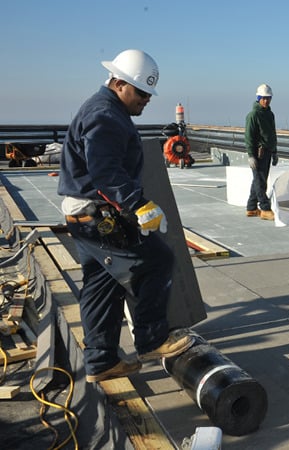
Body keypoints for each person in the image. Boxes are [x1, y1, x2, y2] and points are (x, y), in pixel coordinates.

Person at [58, 49, 193, 383]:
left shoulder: (104, 109)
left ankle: (101, 361)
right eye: (141, 92)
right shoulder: (105, 115)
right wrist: (139, 205)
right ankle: (152, 339)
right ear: (119, 83)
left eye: (148, 94)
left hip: (85, 216)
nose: (146, 100)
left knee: (102, 286)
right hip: (95, 216)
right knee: (157, 259)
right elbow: (105, 172)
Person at [245, 83, 279, 219]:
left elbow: (272, 134)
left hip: (268, 152)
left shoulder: (270, 114)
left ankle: (251, 207)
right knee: (260, 181)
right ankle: (265, 208)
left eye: (268, 98)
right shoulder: (253, 115)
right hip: (258, 153)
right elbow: (249, 136)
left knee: (259, 180)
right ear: (258, 98)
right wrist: (251, 155)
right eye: (264, 98)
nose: (266, 101)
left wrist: (275, 151)